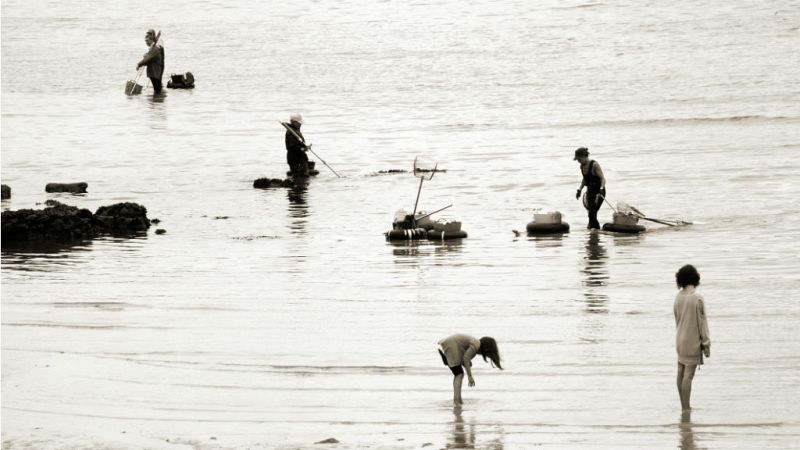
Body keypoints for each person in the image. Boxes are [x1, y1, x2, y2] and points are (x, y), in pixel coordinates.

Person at [673, 264, 711, 411]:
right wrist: (706, 344)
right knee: (688, 375)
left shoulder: (678, 297)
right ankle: (686, 407)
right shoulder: (697, 298)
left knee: (680, 372)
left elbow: (677, 319)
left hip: (679, 339)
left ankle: (683, 405)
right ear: (695, 278)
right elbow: (703, 323)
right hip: (692, 341)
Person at [438, 334, 502, 405]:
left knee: (458, 373)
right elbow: (466, 358)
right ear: (486, 348)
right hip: (452, 344)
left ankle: (458, 400)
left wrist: (466, 363)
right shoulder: (476, 344)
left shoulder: (475, 343)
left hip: (450, 343)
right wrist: (470, 377)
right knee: (459, 374)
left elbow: (464, 358)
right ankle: (457, 401)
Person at [574, 147, 606, 229]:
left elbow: (603, 178)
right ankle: (594, 231)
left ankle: (595, 231)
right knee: (591, 213)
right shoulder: (582, 167)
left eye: (579, 159)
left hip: (599, 192)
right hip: (590, 192)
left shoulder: (594, 164)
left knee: (592, 213)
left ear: (585, 156)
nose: (578, 161)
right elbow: (585, 179)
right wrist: (579, 190)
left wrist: (601, 189)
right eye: (577, 160)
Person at [136, 29, 165, 94]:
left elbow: (148, 58)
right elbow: (149, 58)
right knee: (157, 89)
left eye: (147, 40)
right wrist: (146, 56)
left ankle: (158, 100)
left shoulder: (155, 48)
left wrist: (139, 64)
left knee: (157, 90)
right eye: (145, 41)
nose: (146, 42)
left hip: (156, 71)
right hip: (156, 70)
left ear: (152, 39)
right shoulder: (153, 48)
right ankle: (158, 99)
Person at [284, 113, 310, 178]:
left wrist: (304, 147)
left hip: (300, 158)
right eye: (299, 122)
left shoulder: (295, 130)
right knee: (299, 178)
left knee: (304, 179)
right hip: (295, 159)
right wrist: (303, 149)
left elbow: (298, 143)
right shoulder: (290, 133)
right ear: (294, 122)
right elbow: (292, 147)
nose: (300, 124)